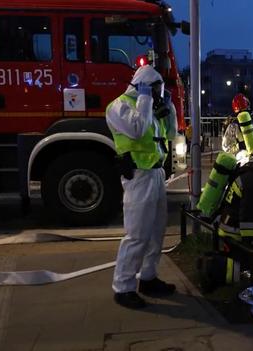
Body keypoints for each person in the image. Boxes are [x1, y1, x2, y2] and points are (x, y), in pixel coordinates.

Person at [106, 65, 176, 309]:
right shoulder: (119, 106)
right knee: (137, 234)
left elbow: (171, 133)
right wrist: (145, 98)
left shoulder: (151, 108)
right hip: (138, 175)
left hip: (155, 174)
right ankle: (123, 287)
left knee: (156, 232)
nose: (159, 92)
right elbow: (136, 130)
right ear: (144, 84)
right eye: (156, 87)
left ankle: (148, 278)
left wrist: (169, 108)